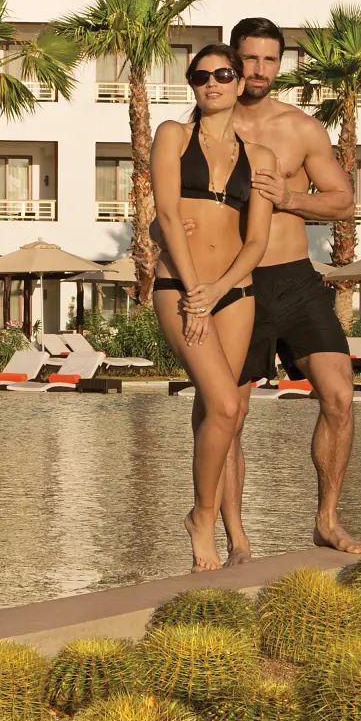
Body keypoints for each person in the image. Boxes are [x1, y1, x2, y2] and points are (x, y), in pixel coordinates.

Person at [228, 15, 361, 556]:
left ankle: (326, 521)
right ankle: (236, 538)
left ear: (280, 64)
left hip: (296, 279)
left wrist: (289, 199)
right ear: (233, 58)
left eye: (269, 59)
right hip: (237, 283)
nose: (259, 69)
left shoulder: (301, 128)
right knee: (230, 414)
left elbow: (342, 201)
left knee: (339, 395)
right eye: (250, 57)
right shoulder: (206, 127)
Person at [149, 43, 276, 571]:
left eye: (223, 74)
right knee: (225, 405)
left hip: (235, 294)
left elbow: (257, 241)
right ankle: (202, 517)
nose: (212, 84)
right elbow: (166, 216)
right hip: (180, 289)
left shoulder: (260, 158)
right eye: (201, 76)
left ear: (240, 81)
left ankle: (225, 526)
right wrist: (196, 293)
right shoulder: (173, 136)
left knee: (222, 410)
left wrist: (219, 289)